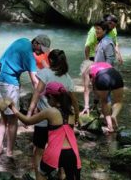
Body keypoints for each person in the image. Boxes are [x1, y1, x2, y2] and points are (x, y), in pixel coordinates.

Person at [10, 82, 81, 180]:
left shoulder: (50, 111)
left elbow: (27, 121)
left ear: (51, 97)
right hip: (72, 153)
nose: (47, 101)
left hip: (55, 153)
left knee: (42, 174)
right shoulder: (71, 111)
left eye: (47, 98)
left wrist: (13, 108)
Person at [26, 49, 79, 179]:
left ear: (50, 60)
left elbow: (37, 93)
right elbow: (74, 100)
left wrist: (29, 111)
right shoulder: (66, 77)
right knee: (60, 147)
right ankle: (61, 174)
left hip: (44, 119)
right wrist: (77, 116)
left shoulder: (44, 73)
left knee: (39, 150)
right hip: (61, 121)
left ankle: (40, 175)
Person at [0, 35, 47, 157]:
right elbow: (35, 81)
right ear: (37, 43)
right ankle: (9, 152)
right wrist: (43, 97)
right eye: (40, 50)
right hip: (9, 84)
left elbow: (11, 59)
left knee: (3, 117)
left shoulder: (23, 40)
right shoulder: (29, 56)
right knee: (13, 120)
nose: (39, 53)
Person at [81, 60, 124, 133]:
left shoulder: (87, 70)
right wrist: (95, 103)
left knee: (105, 101)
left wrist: (86, 106)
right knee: (118, 101)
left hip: (102, 78)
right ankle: (114, 115)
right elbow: (96, 89)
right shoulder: (104, 64)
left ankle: (110, 126)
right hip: (116, 75)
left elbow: (86, 90)